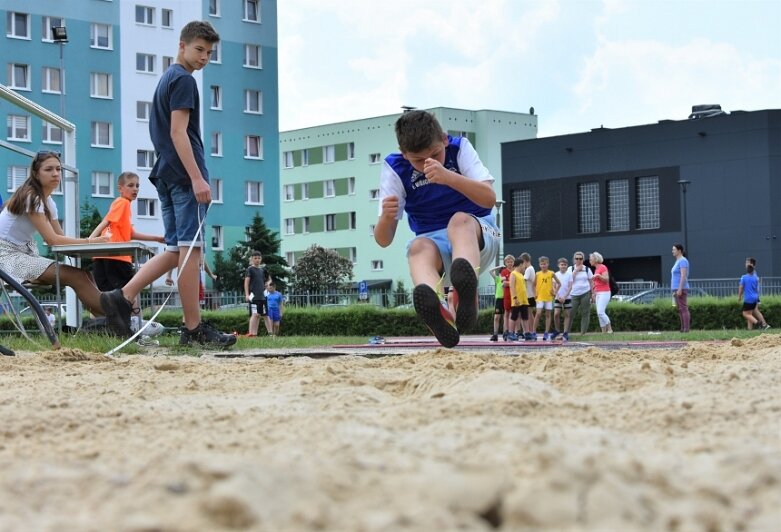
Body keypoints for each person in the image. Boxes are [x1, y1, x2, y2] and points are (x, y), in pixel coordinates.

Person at [98, 21, 235, 348]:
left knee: (176, 250)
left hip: (165, 171)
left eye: (209, 53)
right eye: (199, 50)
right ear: (182, 45)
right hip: (183, 173)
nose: (204, 58)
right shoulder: (184, 79)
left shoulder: (166, 79)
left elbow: (162, 133)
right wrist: (198, 177)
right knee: (190, 250)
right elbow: (178, 132)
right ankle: (194, 328)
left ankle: (122, 295)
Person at [374, 110, 500, 348]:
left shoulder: (459, 148)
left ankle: (465, 292)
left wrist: (449, 177)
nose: (426, 164)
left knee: (459, 221)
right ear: (404, 154)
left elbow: (489, 198)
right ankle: (440, 311)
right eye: (417, 160)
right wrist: (386, 219)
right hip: (436, 244)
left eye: (434, 154)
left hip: (479, 235)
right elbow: (383, 240)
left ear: (444, 139)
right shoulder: (395, 168)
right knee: (416, 247)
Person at [0, 151, 111, 320]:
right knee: (77, 276)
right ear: (36, 174)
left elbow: (60, 239)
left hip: (20, 254)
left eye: (58, 169)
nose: (55, 174)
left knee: (85, 275)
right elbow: (52, 240)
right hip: (6, 257)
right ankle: (115, 321)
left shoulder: (48, 202)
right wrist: (91, 241)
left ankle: (108, 321)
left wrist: (91, 243)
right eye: (49, 169)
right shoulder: (32, 197)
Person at [89, 172, 166, 291]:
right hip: (117, 256)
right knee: (128, 294)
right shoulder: (123, 202)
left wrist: (156, 238)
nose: (135, 189)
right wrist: (89, 240)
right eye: (130, 185)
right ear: (120, 188)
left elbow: (130, 233)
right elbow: (106, 221)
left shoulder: (120, 206)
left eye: (137, 186)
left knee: (108, 296)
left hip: (102, 256)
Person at [487, 254, 514, 341]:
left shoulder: (512, 273)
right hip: (499, 298)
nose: (509, 263)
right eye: (507, 262)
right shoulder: (498, 279)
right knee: (497, 317)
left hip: (507, 297)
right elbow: (490, 271)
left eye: (511, 262)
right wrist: (499, 266)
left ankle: (505, 333)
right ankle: (495, 334)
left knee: (506, 315)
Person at [532, 256, 559, 341]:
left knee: (548, 315)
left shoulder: (551, 273)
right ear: (540, 265)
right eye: (542, 264)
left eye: (545, 264)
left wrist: (555, 292)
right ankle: (534, 332)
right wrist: (534, 294)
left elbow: (559, 283)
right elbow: (533, 285)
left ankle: (546, 332)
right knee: (538, 313)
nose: (543, 265)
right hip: (540, 297)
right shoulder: (537, 274)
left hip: (548, 297)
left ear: (548, 264)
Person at [244, 251, 270, 337]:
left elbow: (269, 279)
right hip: (253, 296)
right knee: (254, 315)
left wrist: (267, 283)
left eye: (259, 258)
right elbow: (246, 283)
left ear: (261, 259)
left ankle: (258, 334)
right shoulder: (250, 269)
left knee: (261, 315)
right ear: (252, 259)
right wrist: (247, 294)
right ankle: (251, 333)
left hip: (262, 296)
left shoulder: (262, 270)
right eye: (255, 258)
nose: (257, 260)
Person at [569, 251, 593, 335]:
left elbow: (591, 282)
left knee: (585, 313)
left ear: (583, 260)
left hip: (585, 293)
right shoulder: (570, 268)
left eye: (580, 259)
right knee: (570, 313)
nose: (578, 260)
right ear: (574, 260)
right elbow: (569, 280)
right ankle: (566, 332)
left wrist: (593, 294)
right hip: (573, 294)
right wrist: (575, 271)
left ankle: (583, 333)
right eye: (577, 259)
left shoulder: (587, 269)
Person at [590, 251, 613, 333]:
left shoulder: (603, 267)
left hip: (605, 292)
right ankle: (603, 332)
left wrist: (598, 276)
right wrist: (593, 293)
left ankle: (610, 329)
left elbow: (606, 280)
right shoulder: (596, 269)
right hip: (598, 292)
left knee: (600, 312)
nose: (590, 260)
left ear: (595, 259)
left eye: (591, 259)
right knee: (599, 313)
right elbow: (596, 283)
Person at [551, 257, 573, 341]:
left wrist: (565, 296)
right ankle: (557, 330)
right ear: (558, 265)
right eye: (561, 265)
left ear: (567, 266)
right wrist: (558, 296)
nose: (563, 266)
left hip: (567, 297)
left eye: (564, 265)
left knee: (567, 315)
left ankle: (565, 332)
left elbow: (570, 286)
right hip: (558, 297)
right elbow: (553, 286)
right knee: (556, 314)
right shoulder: (555, 274)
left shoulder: (569, 275)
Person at [671, 243, 691, 333]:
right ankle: (682, 328)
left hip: (681, 288)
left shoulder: (683, 260)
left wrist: (680, 288)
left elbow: (683, 275)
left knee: (683, 308)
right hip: (676, 288)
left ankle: (686, 329)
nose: (672, 251)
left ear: (679, 251)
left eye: (674, 249)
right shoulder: (677, 261)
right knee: (680, 309)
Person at [509, 256, 530, 341]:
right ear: (520, 265)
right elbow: (512, 286)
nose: (524, 267)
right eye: (523, 265)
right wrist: (515, 298)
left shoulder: (521, 275)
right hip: (517, 300)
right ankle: (510, 333)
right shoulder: (513, 274)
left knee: (525, 317)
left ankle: (527, 333)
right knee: (514, 316)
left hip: (524, 300)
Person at [746, 257, 771, 329]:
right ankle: (752, 328)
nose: (746, 264)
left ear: (751, 264)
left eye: (747, 262)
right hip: (753, 295)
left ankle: (764, 325)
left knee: (752, 311)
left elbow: (755, 285)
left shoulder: (752, 273)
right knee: (750, 312)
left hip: (753, 296)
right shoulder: (752, 273)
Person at [738, 262, 762, 330]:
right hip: (755, 298)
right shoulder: (756, 278)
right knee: (750, 313)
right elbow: (757, 288)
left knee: (745, 314)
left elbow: (741, 287)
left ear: (747, 270)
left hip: (748, 298)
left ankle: (758, 323)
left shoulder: (744, 277)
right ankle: (749, 329)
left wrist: (739, 297)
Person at [520, 252, 537, 335]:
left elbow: (523, 280)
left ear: (524, 261)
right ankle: (532, 330)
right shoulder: (532, 268)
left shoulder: (528, 269)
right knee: (530, 313)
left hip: (529, 295)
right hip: (531, 294)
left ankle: (531, 331)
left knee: (529, 314)